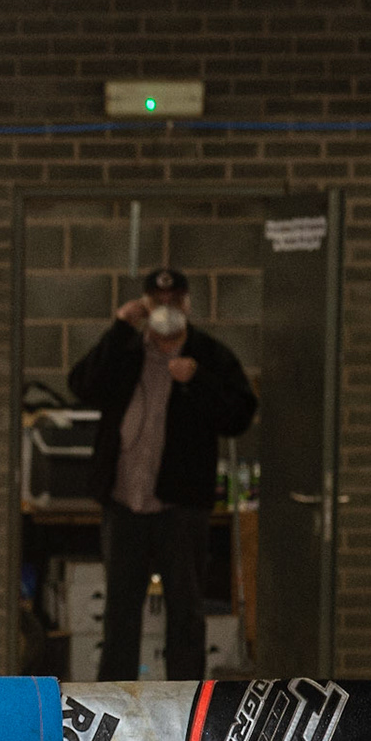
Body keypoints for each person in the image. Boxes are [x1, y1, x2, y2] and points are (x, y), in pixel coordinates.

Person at [67, 266, 257, 681]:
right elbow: (81, 385)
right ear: (145, 304)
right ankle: (116, 697)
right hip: (124, 503)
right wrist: (120, 327)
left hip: (181, 507)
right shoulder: (126, 350)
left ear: (187, 304)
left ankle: (185, 699)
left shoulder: (210, 355)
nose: (166, 308)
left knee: (186, 609)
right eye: (157, 301)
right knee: (120, 611)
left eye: (174, 301)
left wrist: (199, 380)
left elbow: (240, 415)